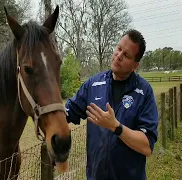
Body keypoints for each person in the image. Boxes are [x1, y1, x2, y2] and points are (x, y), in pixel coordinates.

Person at [65, 29, 159, 180]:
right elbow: (69, 111)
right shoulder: (93, 84)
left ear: (135, 65)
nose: (119, 56)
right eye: (119, 48)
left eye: (126, 55)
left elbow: (146, 146)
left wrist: (116, 127)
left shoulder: (144, 92)